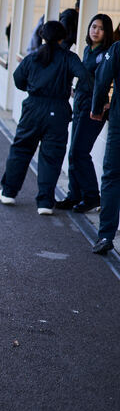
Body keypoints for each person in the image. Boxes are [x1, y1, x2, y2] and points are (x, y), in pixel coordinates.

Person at [0, 21, 90, 215]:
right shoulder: (69, 58)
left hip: (33, 107)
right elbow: (85, 78)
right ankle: (45, 202)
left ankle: (8, 192)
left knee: (21, 149)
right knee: (51, 156)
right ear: (63, 38)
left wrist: (33, 90)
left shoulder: (33, 57)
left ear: (42, 36)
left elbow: (17, 79)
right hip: (58, 110)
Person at [56, 14, 113, 213]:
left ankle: (91, 197)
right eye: (93, 26)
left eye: (100, 28)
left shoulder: (106, 53)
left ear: (107, 33)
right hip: (80, 104)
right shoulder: (88, 50)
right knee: (73, 152)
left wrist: (102, 105)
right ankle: (74, 194)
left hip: (94, 108)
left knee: (80, 152)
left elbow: (103, 82)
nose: (95, 31)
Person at [92, 36, 120, 254]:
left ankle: (105, 235)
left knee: (111, 176)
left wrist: (97, 107)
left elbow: (102, 79)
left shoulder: (117, 49)